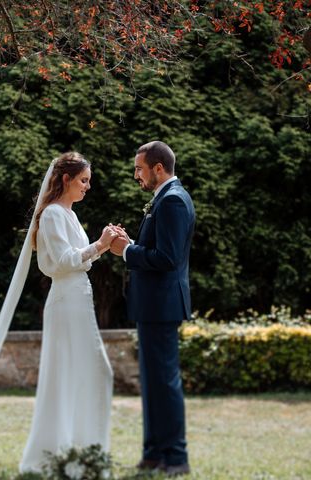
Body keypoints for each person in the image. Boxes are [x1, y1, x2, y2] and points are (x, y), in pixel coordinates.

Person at [19, 152, 117, 474]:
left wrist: (102, 245)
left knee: (85, 374)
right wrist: (98, 245)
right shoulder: (51, 216)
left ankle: (81, 454)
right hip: (66, 301)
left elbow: (78, 259)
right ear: (66, 179)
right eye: (84, 180)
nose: (88, 187)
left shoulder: (70, 216)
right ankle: (71, 455)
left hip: (78, 299)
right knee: (90, 372)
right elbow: (62, 263)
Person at [110, 141, 195, 477]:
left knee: (164, 381)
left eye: (139, 169)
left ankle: (175, 457)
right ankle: (153, 453)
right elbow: (158, 250)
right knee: (153, 381)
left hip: (162, 306)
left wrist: (127, 251)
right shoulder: (166, 198)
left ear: (158, 168)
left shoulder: (173, 200)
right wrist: (131, 243)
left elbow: (168, 258)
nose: (136, 175)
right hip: (153, 306)